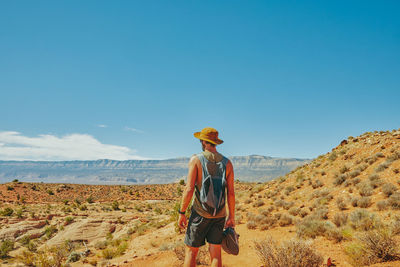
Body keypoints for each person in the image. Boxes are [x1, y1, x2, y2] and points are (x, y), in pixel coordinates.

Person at [178, 127, 235, 267]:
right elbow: (231, 193)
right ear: (215, 142)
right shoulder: (227, 163)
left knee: (191, 251)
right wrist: (231, 216)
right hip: (219, 215)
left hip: (199, 213)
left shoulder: (196, 160)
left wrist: (182, 212)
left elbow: (189, 189)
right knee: (215, 252)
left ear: (203, 141)